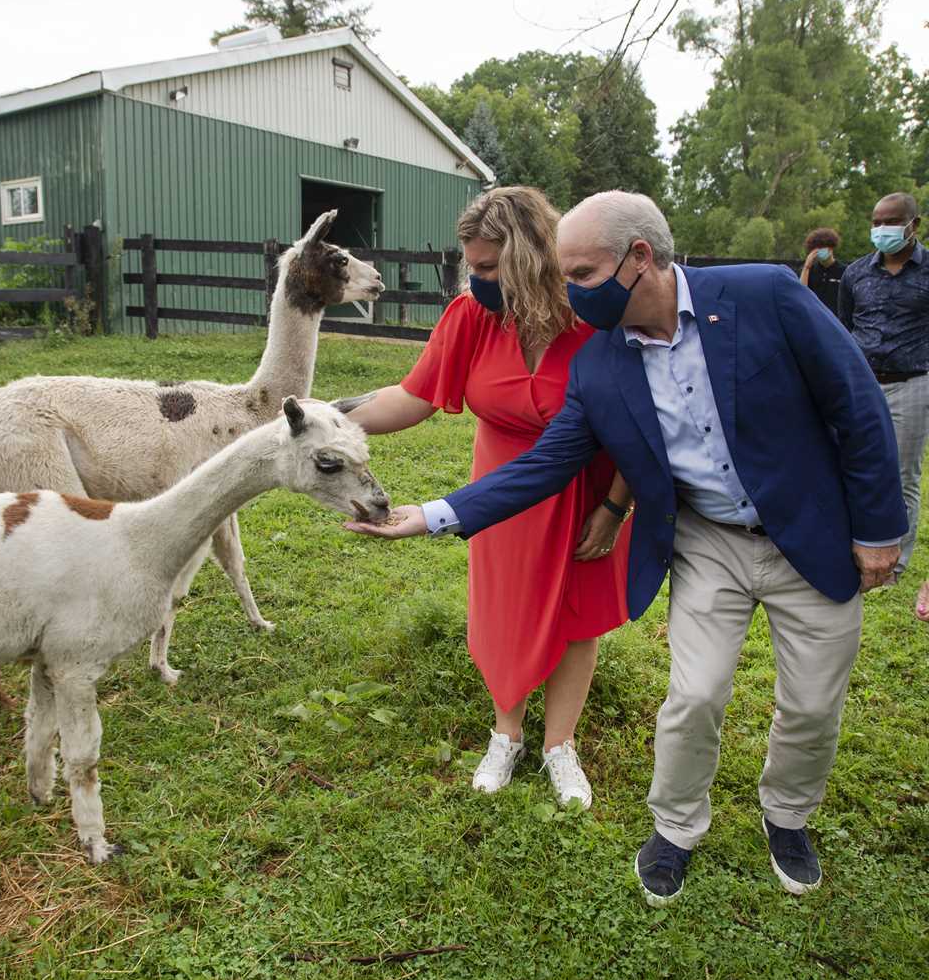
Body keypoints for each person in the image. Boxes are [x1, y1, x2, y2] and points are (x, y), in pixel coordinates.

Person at [348, 191, 905, 906]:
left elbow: (857, 403)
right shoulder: (603, 362)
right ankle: (674, 830)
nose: (572, 294)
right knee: (694, 693)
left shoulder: (764, 294)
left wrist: (879, 532)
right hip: (708, 539)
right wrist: (432, 514)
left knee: (812, 705)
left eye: (581, 275)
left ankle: (788, 819)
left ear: (639, 258)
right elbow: (547, 462)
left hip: (811, 533)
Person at [336, 186, 632, 808]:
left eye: (490, 268)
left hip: (585, 486)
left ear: (529, 258)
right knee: (503, 606)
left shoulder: (593, 321)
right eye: (471, 266)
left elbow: (635, 423)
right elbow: (413, 397)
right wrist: (336, 422)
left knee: (578, 616)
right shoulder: (470, 317)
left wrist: (612, 507)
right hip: (501, 487)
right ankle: (507, 733)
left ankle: (560, 744)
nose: (476, 280)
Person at [839, 193, 928, 579]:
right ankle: (850, 543)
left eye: (890, 221)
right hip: (861, 383)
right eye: (876, 222)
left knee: (902, 473)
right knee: (850, 462)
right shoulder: (857, 273)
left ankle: (895, 562)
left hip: (911, 381)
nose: (881, 229)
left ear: (914, 224)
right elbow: (845, 325)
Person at [799, 227, 846, 317]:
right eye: (815, 248)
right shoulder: (809, 270)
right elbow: (801, 292)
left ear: (831, 247)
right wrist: (806, 267)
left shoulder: (844, 271)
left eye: (821, 247)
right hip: (815, 318)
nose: (818, 250)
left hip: (837, 320)